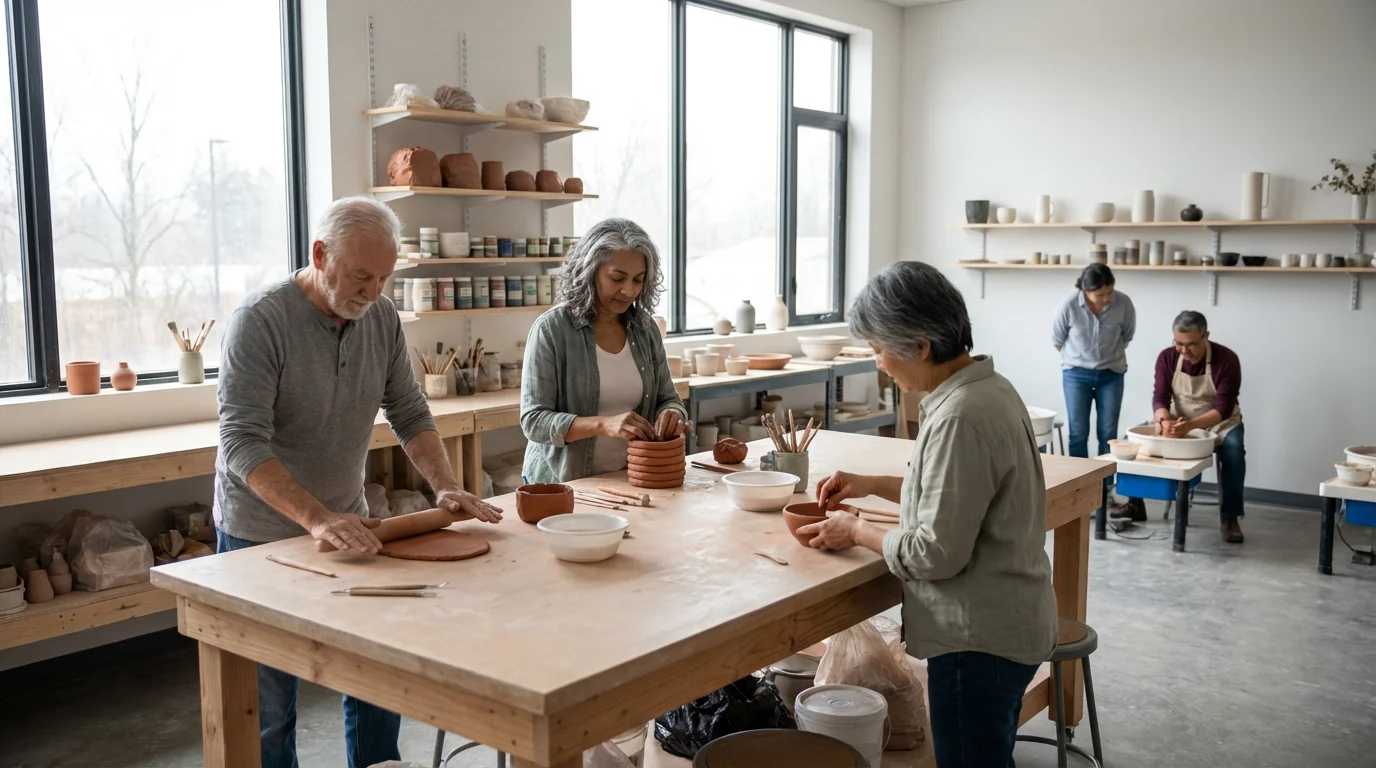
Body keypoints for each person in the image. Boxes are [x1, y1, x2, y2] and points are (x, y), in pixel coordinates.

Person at [215, 196, 502, 768]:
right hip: (263, 536)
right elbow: (241, 442)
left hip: (354, 527)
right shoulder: (262, 321)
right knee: (268, 707)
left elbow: (410, 411)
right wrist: (317, 517)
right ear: (321, 255)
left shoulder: (382, 318)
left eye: (385, 278)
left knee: (375, 678)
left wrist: (444, 486)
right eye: (361, 276)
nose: (373, 293)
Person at [797, 262, 1057, 768]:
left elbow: (934, 552)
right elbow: (956, 497)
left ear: (919, 346)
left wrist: (856, 528)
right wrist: (872, 485)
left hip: (979, 640)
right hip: (1008, 624)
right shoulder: (986, 388)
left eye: (880, 349)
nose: (878, 364)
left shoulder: (959, 415)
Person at [521, 218, 687, 482]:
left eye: (638, 280)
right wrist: (604, 424)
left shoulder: (645, 329)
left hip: (630, 478)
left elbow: (669, 399)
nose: (628, 290)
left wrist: (672, 414)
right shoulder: (552, 329)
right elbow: (534, 421)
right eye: (617, 278)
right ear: (590, 270)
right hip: (564, 483)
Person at [1113, 310, 1246, 543]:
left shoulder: (1227, 360)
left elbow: (1223, 409)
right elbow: (1160, 398)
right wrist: (1163, 420)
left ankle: (1230, 516)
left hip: (1219, 422)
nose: (1184, 350)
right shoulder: (1167, 357)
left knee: (1234, 450)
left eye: (1191, 344)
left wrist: (1190, 426)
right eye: (1178, 344)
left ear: (1206, 336)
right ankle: (1135, 503)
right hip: (1177, 417)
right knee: (1135, 440)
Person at [1051, 263, 1136, 458]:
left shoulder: (1124, 303)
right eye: (1100, 295)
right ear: (1085, 290)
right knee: (1078, 434)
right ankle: (1080, 487)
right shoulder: (1068, 306)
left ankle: (1104, 487)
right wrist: (1079, 357)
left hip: (1112, 374)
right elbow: (1057, 340)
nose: (1106, 299)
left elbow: (1127, 335)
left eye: (1109, 292)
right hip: (1076, 375)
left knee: (1108, 434)